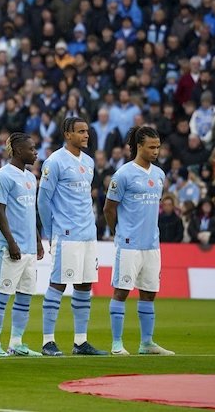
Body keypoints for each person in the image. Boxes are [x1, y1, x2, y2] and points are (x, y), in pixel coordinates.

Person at [37, 116, 107, 356]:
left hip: (88, 233)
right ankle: (48, 341)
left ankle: (80, 341)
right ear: (68, 134)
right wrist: (50, 231)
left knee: (84, 284)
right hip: (65, 233)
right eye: (80, 131)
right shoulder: (54, 161)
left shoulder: (88, 162)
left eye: (87, 131)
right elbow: (43, 200)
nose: (86, 135)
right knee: (58, 283)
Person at [103, 124, 175, 356]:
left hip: (152, 244)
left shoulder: (159, 174)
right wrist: (118, 232)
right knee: (122, 291)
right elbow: (108, 209)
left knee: (149, 292)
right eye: (151, 147)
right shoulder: (123, 174)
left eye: (158, 147)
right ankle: (116, 344)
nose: (156, 151)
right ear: (139, 147)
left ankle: (147, 343)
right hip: (129, 244)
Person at [0, 132, 44, 357]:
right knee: (2, 295)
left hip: (29, 247)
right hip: (10, 248)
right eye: (31, 149)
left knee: (25, 297)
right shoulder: (3, 176)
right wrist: (11, 242)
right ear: (19, 151)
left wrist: (38, 240)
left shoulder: (30, 178)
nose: (35, 153)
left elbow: (31, 213)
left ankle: (16, 343)